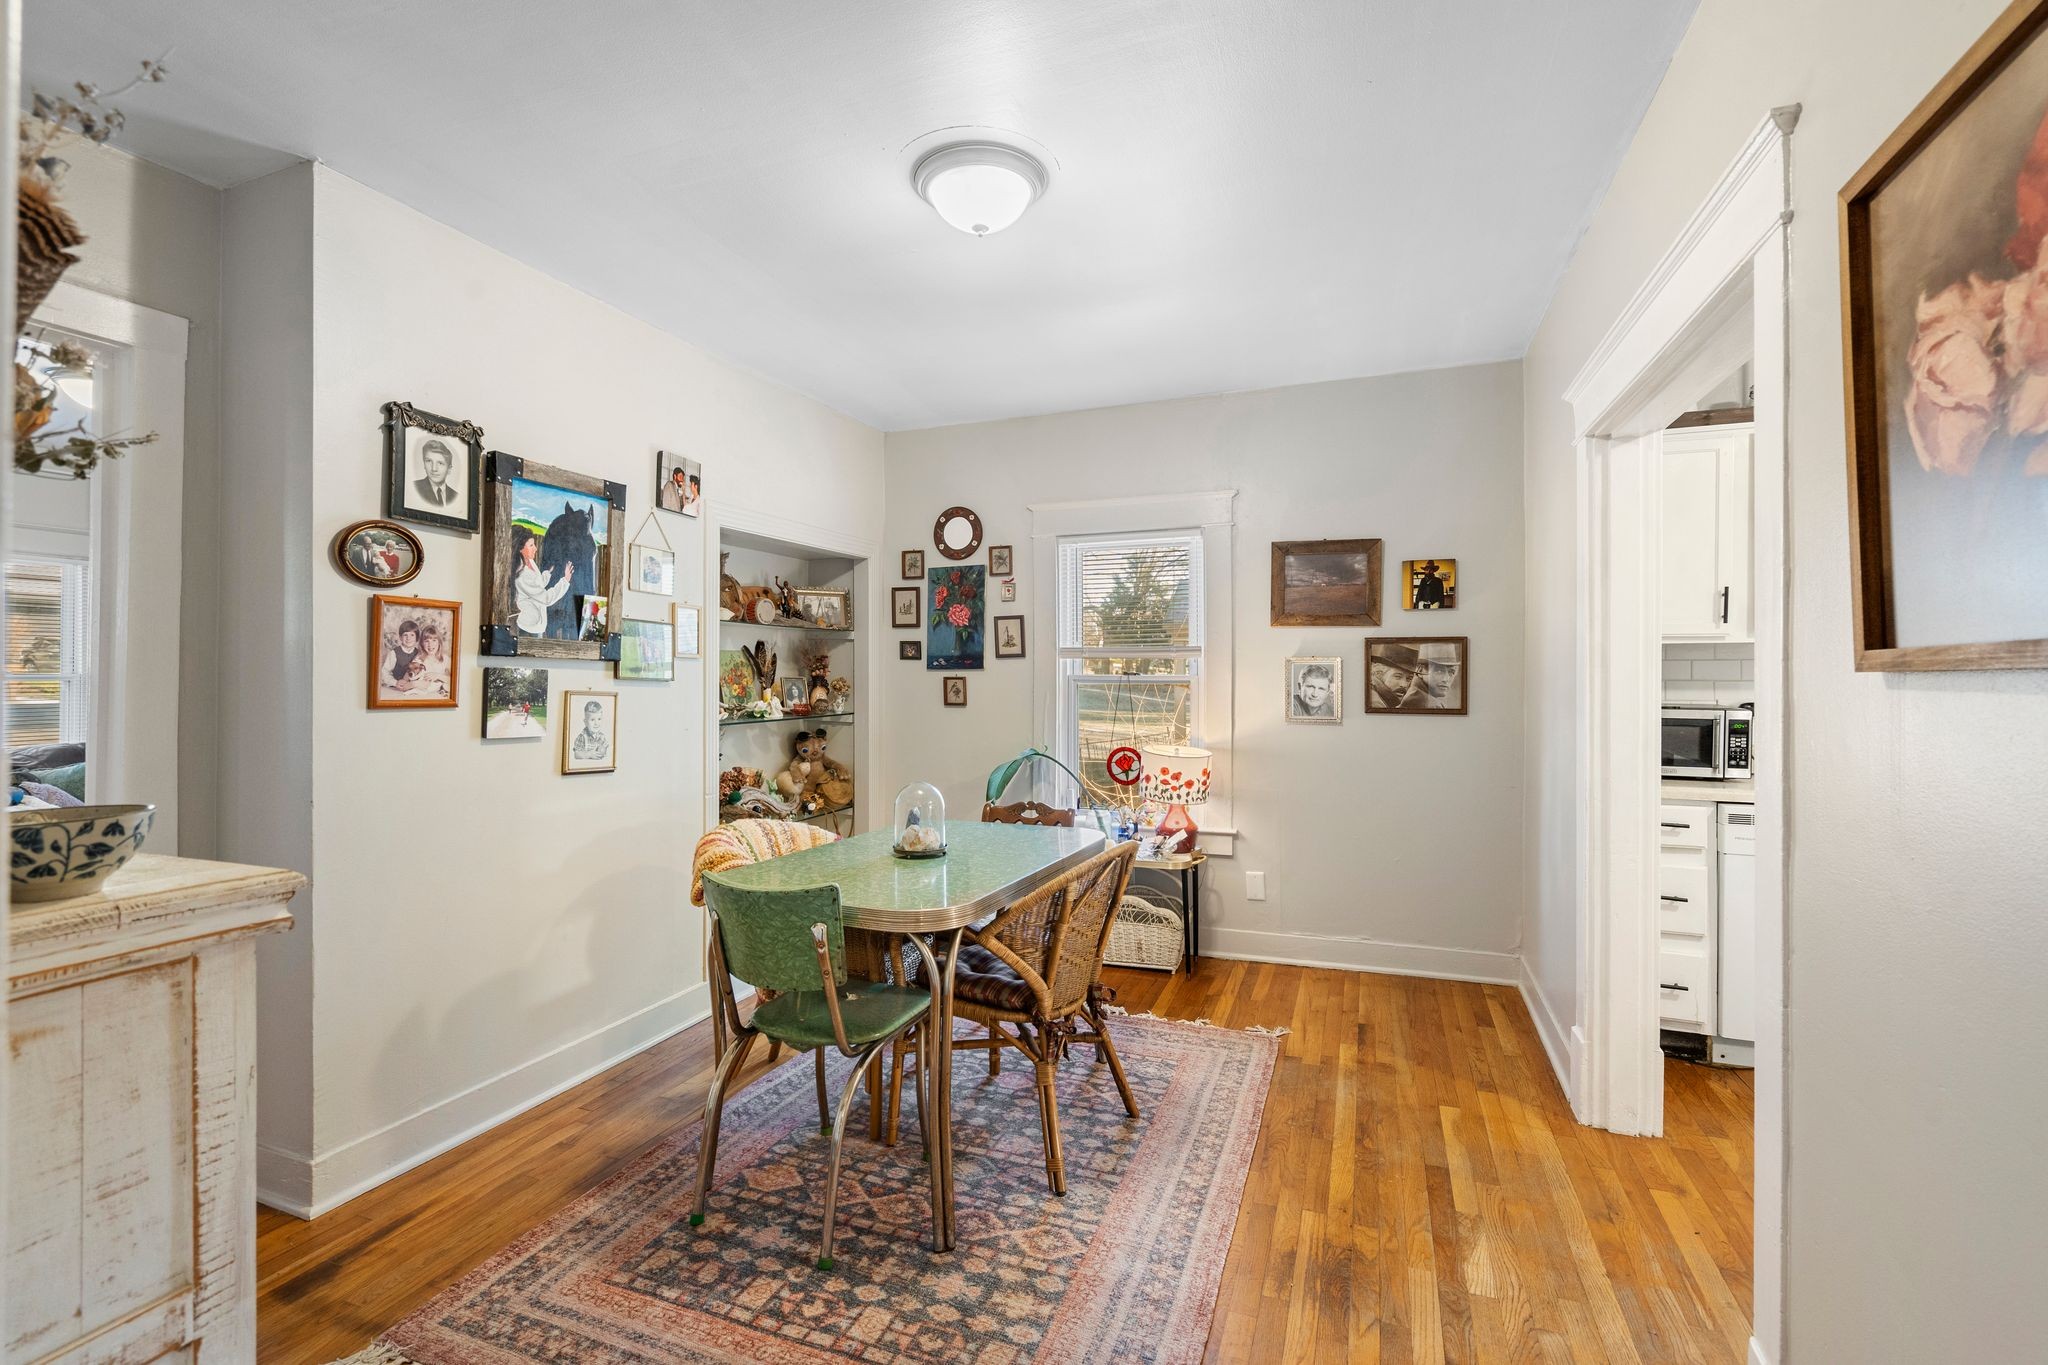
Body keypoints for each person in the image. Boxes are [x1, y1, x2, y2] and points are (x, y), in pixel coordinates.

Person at [508, 528, 573, 636]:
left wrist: (548, 573)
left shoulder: (530, 562)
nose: (536, 548)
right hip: (529, 626)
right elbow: (546, 598)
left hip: (538, 624)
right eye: (531, 545)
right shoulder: (523, 574)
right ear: (520, 548)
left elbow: (538, 584)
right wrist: (565, 581)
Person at [1409, 641, 1462, 708]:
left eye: (1451, 672)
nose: (1446, 679)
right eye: (1439, 671)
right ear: (1420, 670)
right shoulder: (1430, 704)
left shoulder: (1417, 694)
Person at [1369, 642, 1421, 709]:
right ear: (1379, 673)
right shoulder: (1375, 703)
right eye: (1397, 677)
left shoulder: (1385, 699)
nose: (1404, 685)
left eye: (1409, 679)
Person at [412, 437, 461, 509]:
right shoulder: (415, 488)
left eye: (440, 463)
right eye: (429, 461)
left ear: (449, 469)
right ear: (424, 464)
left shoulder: (455, 496)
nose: (434, 469)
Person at [383, 618, 421, 692]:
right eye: (405, 635)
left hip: (413, 688)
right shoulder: (394, 653)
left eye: (412, 635)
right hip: (395, 688)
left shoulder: (419, 653)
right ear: (400, 637)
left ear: (417, 638)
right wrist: (395, 682)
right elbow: (384, 672)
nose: (408, 638)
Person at [415, 622, 451, 698]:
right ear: (422, 643)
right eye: (427, 641)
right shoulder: (419, 659)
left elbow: (456, 680)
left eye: (434, 640)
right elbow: (408, 680)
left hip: (440, 696)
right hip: (423, 696)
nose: (430, 645)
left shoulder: (445, 659)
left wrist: (437, 676)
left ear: (439, 643)